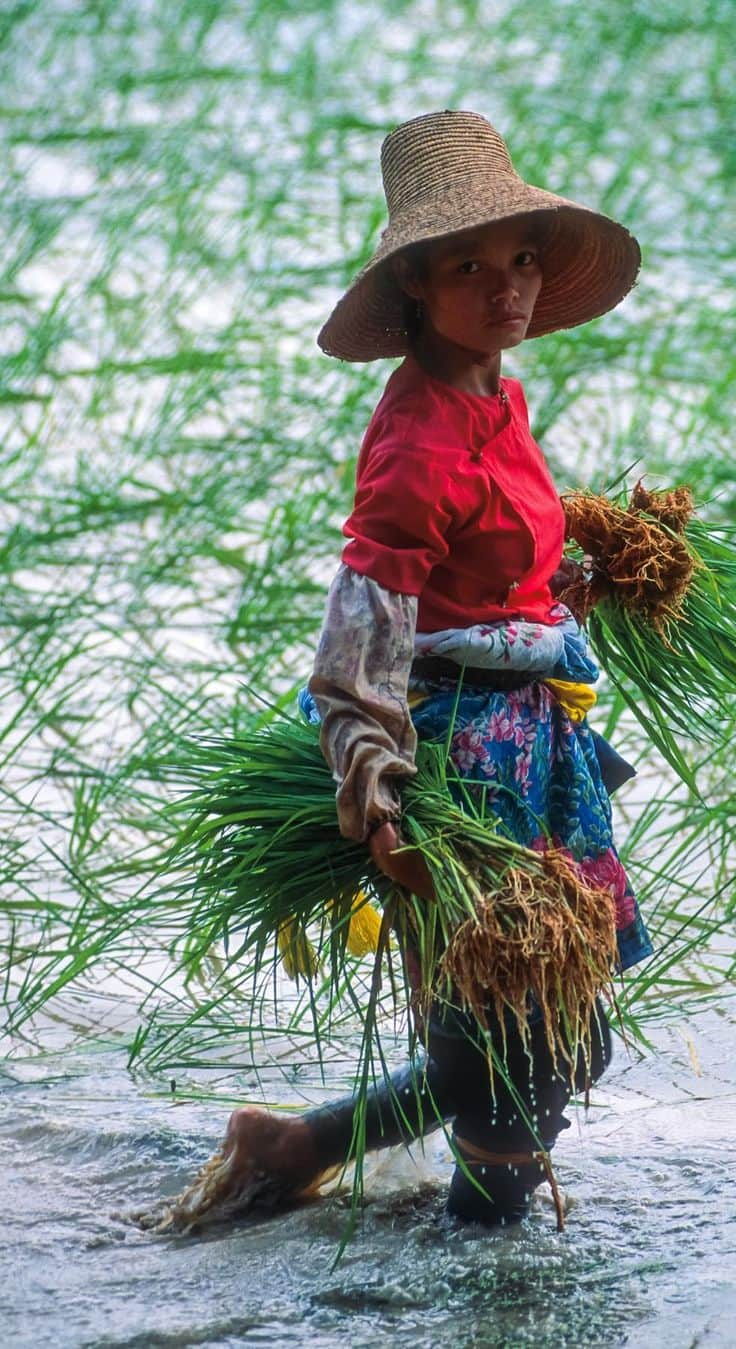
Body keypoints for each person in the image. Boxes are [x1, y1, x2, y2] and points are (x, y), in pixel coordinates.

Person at [219, 110, 652, 1228]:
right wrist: (379, 799)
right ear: (416, 282)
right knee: (515, 1036)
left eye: (518, 260)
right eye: (470, 266)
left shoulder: (495, 392)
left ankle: (299, 1145)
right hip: (461, 762)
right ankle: (478, 1272)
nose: (506, 287)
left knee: (558, 1022)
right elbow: (354, 651)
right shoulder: (415, 442)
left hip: (536, 750)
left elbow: (486, 578)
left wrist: (578, 572)